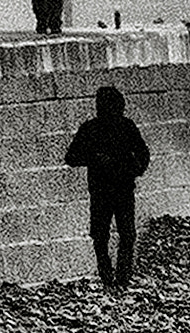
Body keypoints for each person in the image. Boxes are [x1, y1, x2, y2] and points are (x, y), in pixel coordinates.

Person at [63, 84, 151, 290]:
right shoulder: (91, 129)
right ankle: (108, 277)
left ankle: (121, 277)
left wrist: (134, 169)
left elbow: (143, 154)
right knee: (101, 236)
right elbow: (71, 157)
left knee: (126, 234)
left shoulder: (125, 127)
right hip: (102, 191)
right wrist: (95, 158)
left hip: (121, 189)